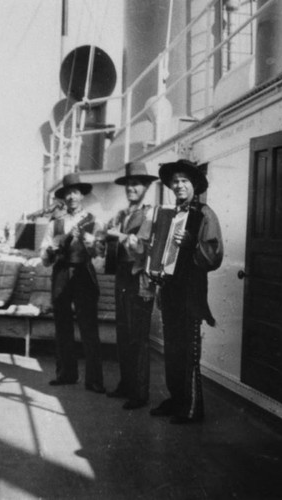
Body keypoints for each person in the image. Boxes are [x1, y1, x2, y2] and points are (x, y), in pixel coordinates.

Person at [139, 159, 223, 424]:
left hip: (191, 291)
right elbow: (158, 250)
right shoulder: (168, 214)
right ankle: (175, 399)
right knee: (172, 349)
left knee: (189, 351)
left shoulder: (205, 214)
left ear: (194, 185)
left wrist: (190, 245)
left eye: (184, 181)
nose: (179, 185)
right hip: (170, 290)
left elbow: (213, 257)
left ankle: (191, 408)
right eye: (175, 181)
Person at [40, 172, 105, 393]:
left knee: (88, 327)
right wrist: (50, 250)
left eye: (75, 192)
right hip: (60, 274)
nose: (71, 197)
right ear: (63, 198)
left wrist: (93, 242)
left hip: (84, 274)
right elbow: (45, 258)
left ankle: (94, 380)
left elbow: (101, 255)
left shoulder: (94, 221)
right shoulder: (55, 223)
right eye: (67, 194)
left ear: (82, 195)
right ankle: (66, 374)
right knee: (62, 325)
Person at [105, 161, 158, 409]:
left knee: (138, 337)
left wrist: (120, 236)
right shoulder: (122, 215)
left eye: (136, 184)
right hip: (122, 276)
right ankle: (126, 384)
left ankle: (139, 393)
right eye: (128, 184)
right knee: (123, 334)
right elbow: (110, 247)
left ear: (146, 186)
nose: (131, 188)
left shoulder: (150, 214)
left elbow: (143, 248)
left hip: (139, 278)